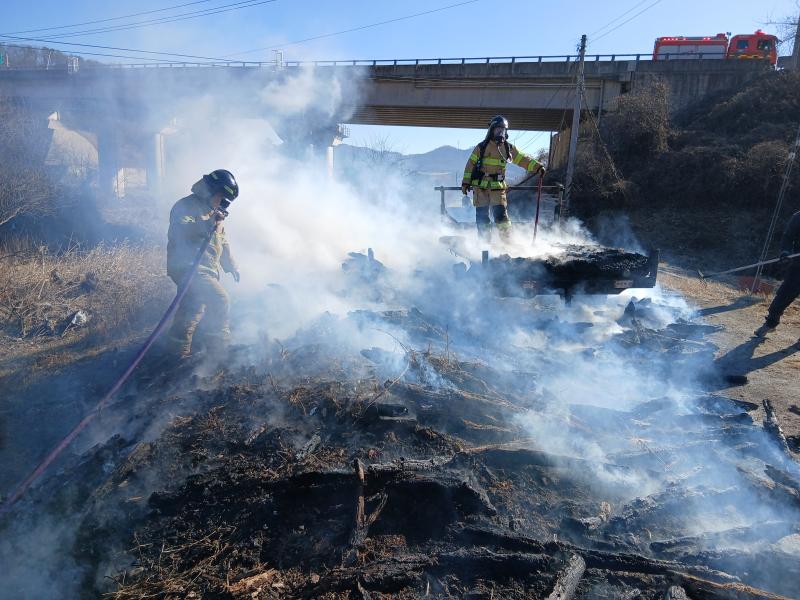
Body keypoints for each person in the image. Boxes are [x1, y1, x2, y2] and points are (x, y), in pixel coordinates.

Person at [164, 169, 240, 361]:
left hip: (206, 268)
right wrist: (208, 222)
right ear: (211, 191)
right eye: (221, 198)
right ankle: (218, 350)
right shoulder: (185, 206)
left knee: (192, 307)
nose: (222, 204)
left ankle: (176, 352)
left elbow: (222, 241)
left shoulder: (214, 213)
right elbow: (183, 227)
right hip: (188, 267)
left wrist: (230, 265)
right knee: (219, 299)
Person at [461, 115, 545, 243]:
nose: (501, 133)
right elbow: (470, 165)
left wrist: (538, 167)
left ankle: (507, 245)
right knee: (482, 219)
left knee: (502, 219)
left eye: (503, 130)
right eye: (498, 130)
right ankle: (485, 245)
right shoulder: (481, 147)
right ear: (491, 130)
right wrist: (466, 183)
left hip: (497, 189)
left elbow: (522, 159)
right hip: (481, 189)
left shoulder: (508, 148)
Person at [754, 210, 800, 337]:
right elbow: (788, 237)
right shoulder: (798, 217)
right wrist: (785, 252)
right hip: (797, 265)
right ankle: (770, 323)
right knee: (783, 295)